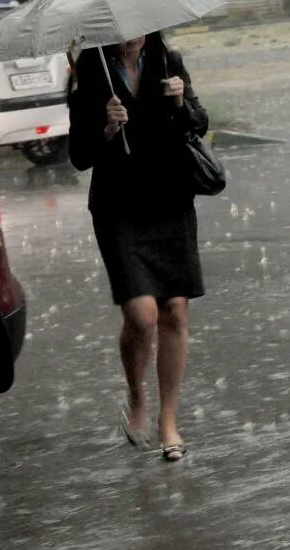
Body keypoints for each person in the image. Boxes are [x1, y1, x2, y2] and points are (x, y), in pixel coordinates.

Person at [67, 33, 210, 462]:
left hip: (170, 200)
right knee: (141, 314)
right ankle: (136, 397)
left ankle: (168, 421)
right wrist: (107, 129)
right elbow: (78, 155)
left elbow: (197, 125)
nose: (128, 37)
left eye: (136, 27)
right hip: (118, 208)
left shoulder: (168, 62)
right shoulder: (90, 75)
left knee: (174, 310)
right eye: (117, 30)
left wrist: (182, 102)